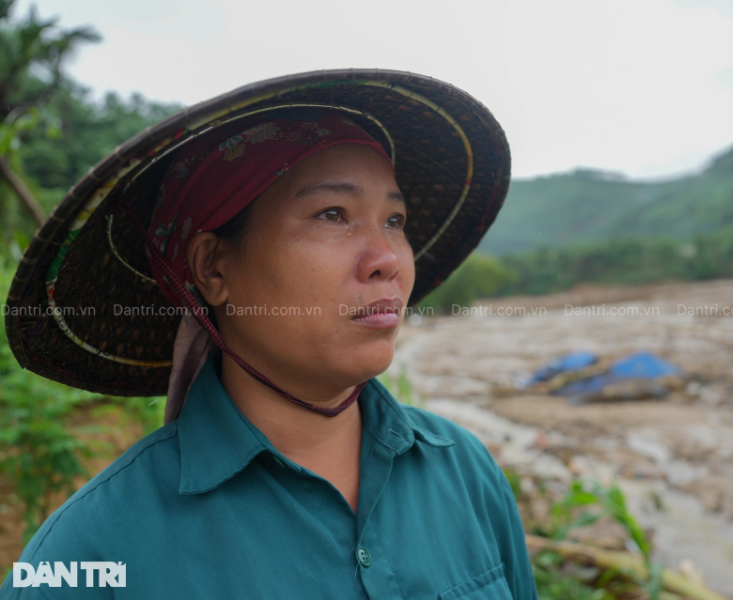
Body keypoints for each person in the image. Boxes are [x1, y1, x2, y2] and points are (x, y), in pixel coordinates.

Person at [2, 71, 536, 598]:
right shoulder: (88, 553)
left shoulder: (464, 470)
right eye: (333, 214)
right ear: (213, 268)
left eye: (394, 221)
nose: (387, 259)